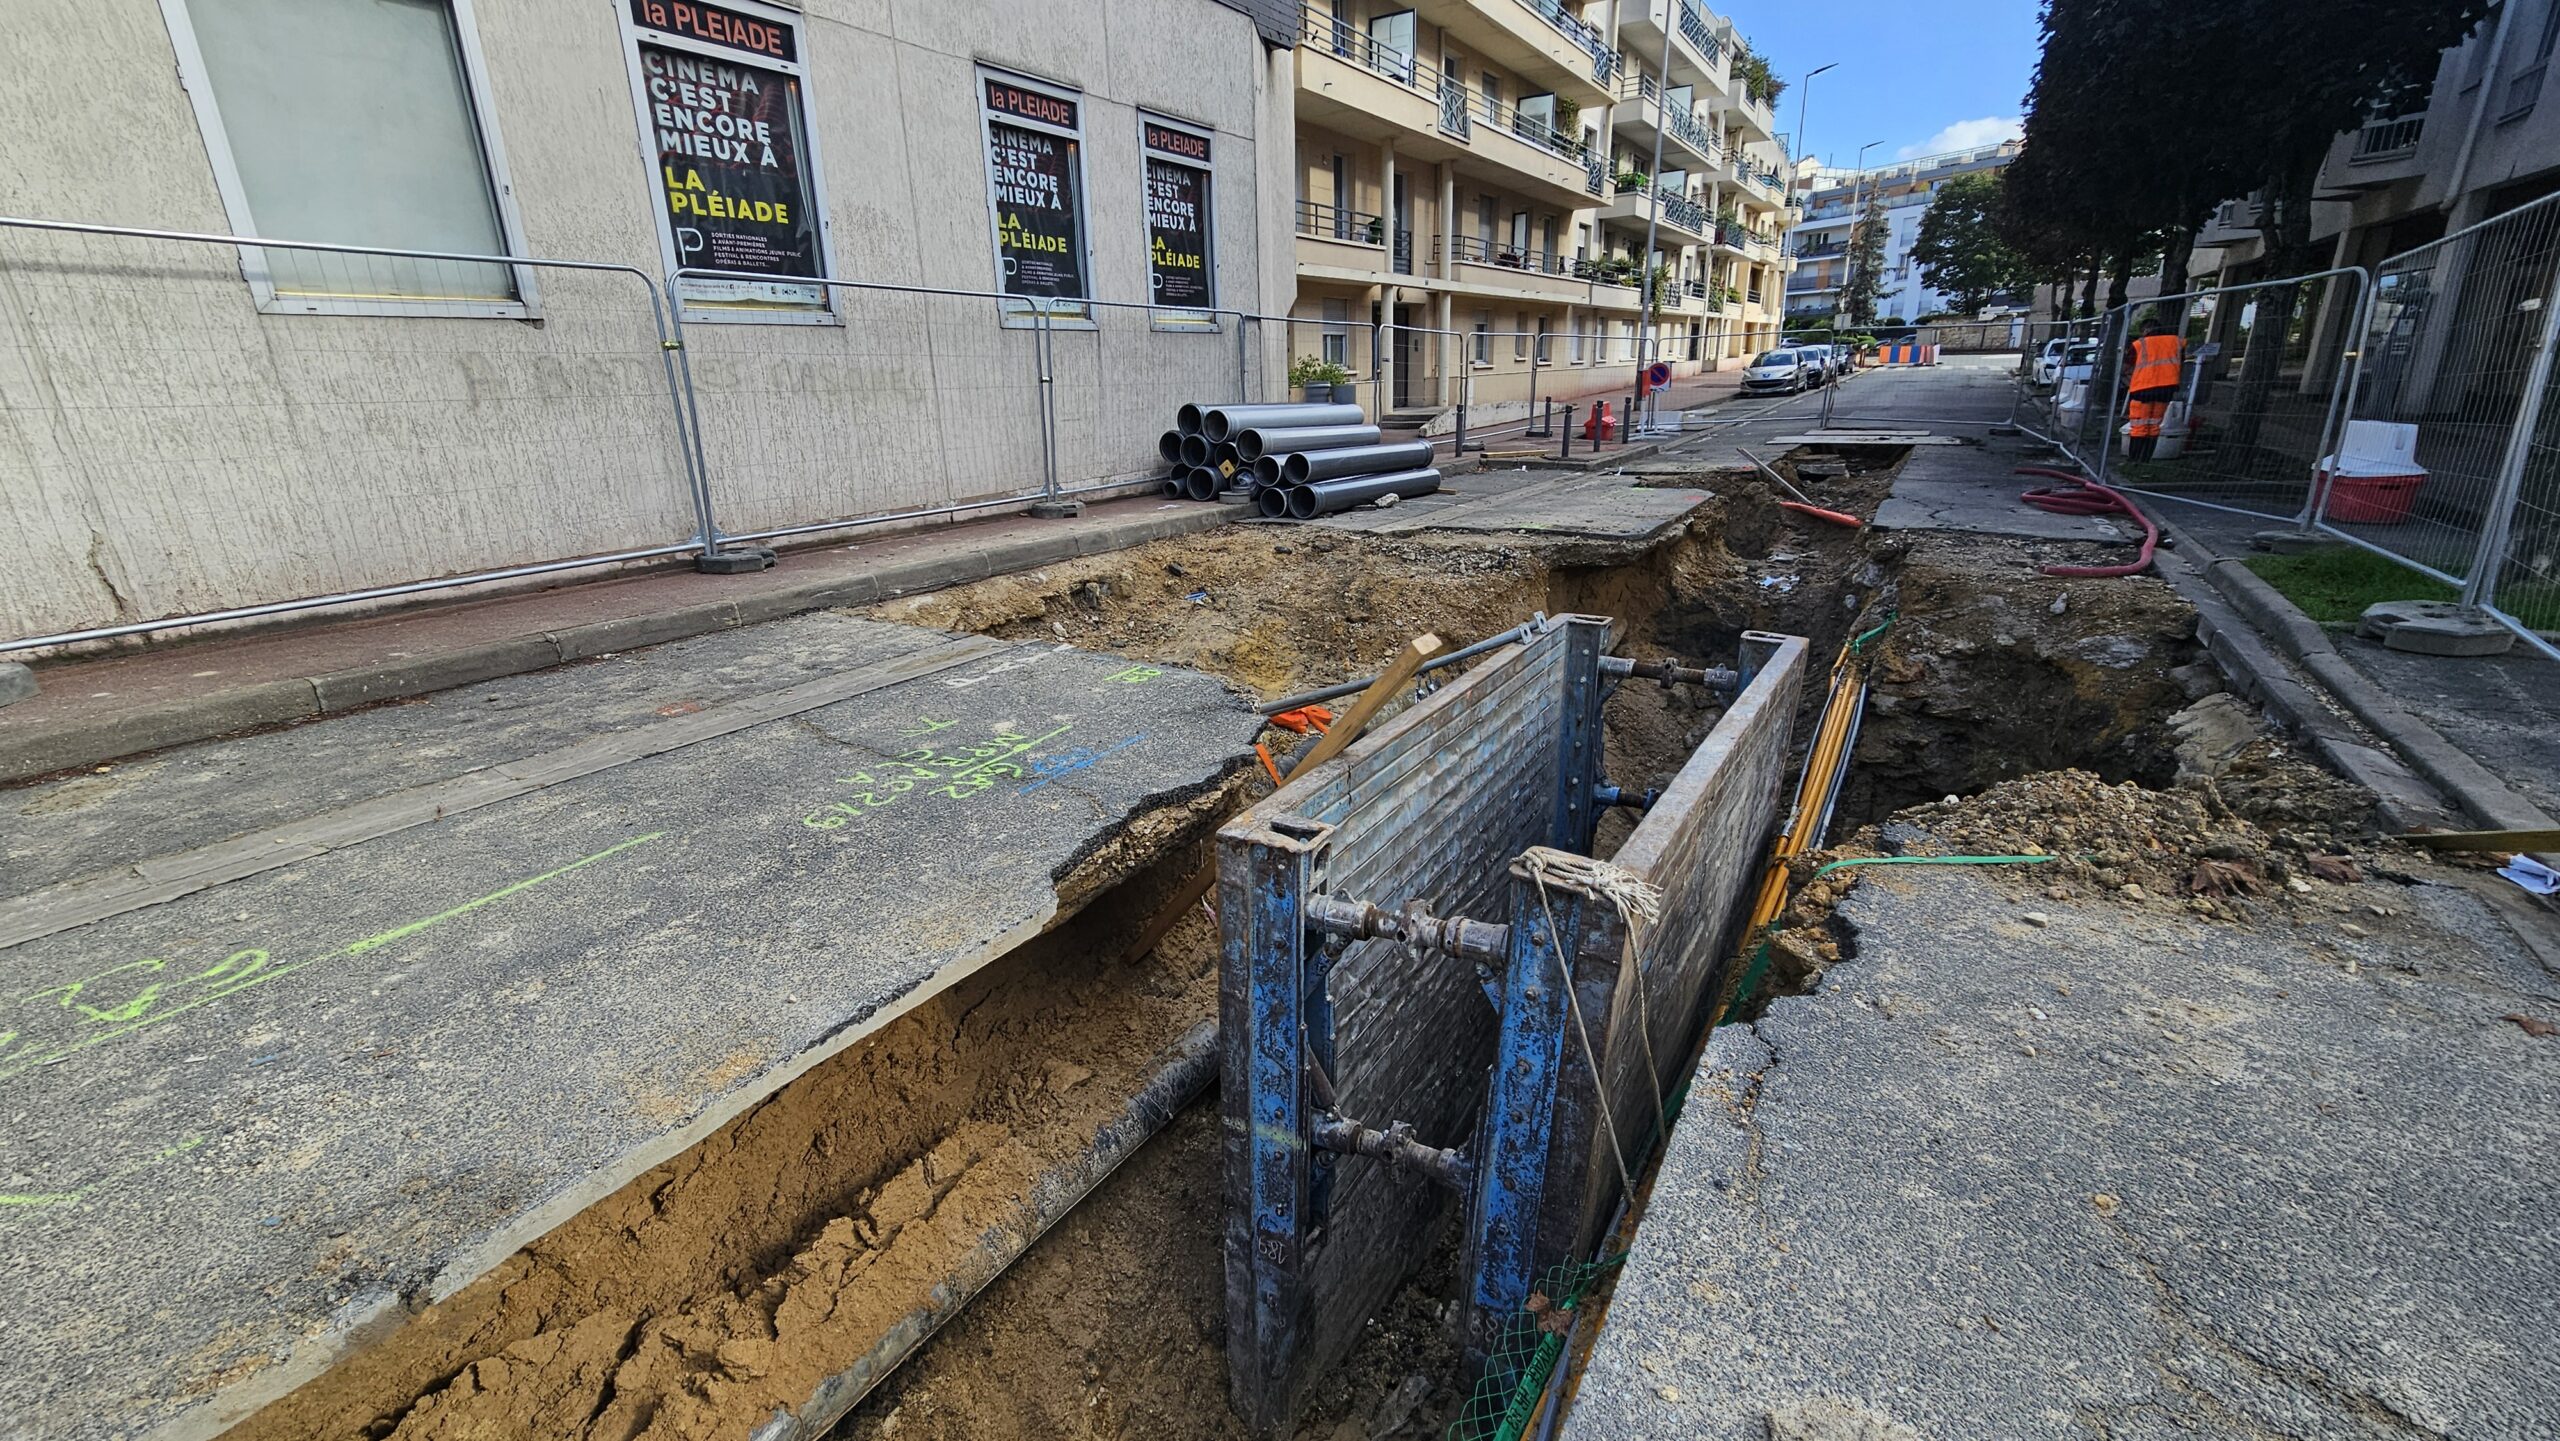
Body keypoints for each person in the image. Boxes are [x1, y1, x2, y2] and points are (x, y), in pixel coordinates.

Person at [2123, 315, 2185, 462]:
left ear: (2145, 330)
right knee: (2154, 425)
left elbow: (2126, 367)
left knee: (2139, 425)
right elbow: (2180, 362)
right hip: (2166, 389)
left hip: (2142, 390)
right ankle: (2146, 459)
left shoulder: (2139, 344)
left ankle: (2133, 460)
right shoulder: (2176, 342)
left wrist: (2130, 379)